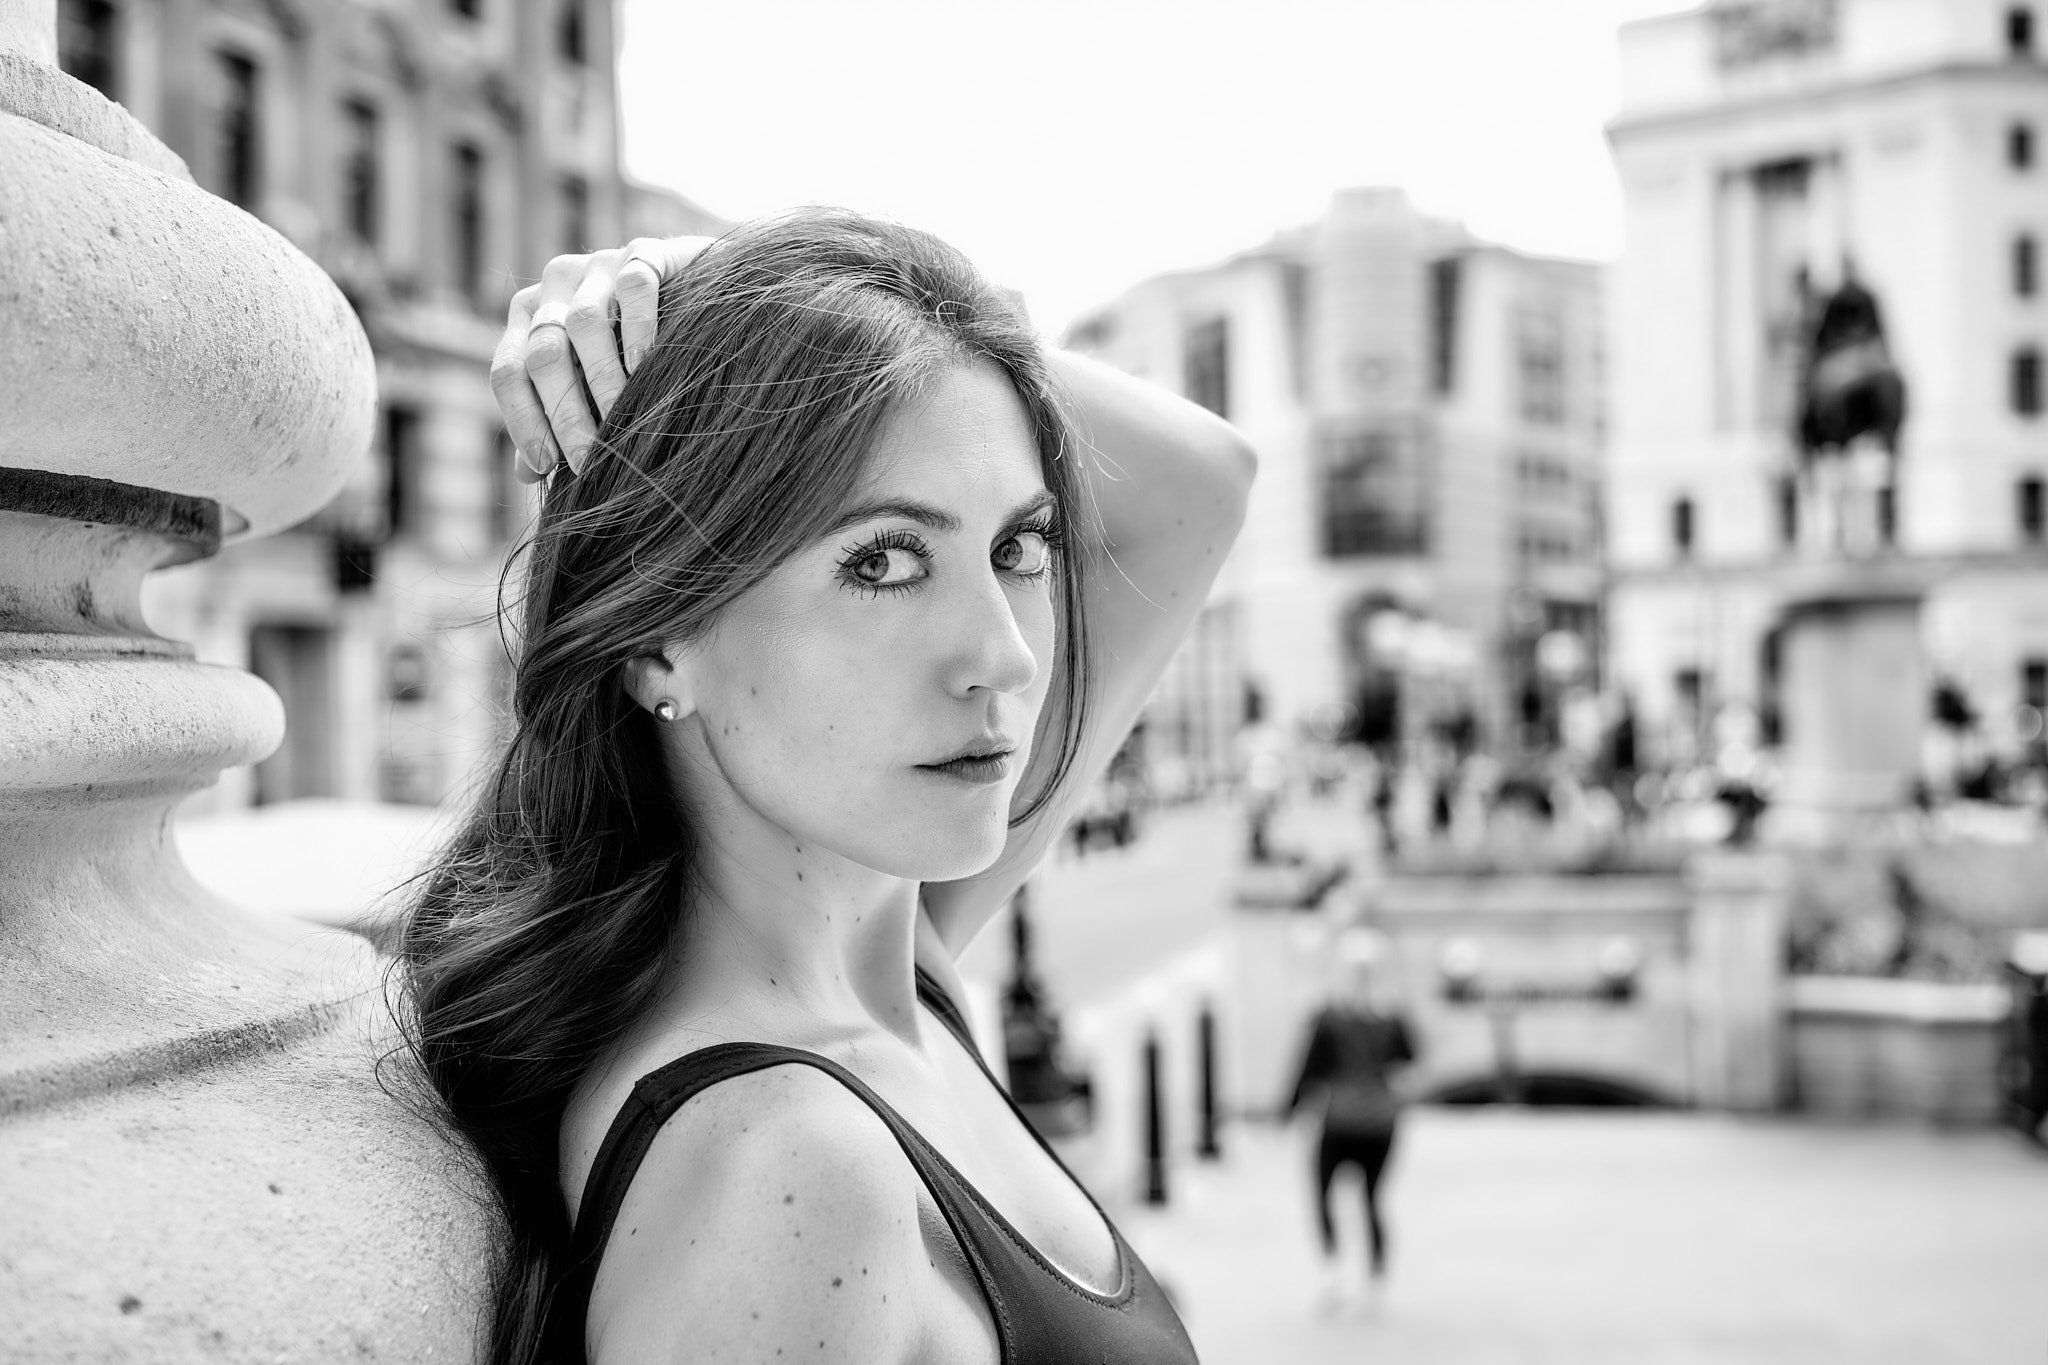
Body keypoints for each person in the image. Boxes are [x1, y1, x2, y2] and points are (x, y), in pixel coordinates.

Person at [394, 209, 1254, 1365]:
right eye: (883, 563)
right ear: (657, 644)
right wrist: (738, 300)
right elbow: (1201, 484)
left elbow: (1206, 480)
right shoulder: (790, 1166)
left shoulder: (891, 969)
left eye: (1016, 549)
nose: (1003, 656)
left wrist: (709, 275)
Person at [1285, 929, 1417, 1299]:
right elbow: (1409, 1058)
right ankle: (1375, 1275)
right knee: (1372, 1199)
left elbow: (1308, 1069)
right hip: (1381, 1121)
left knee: (1323, 1193)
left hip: (1339, 1118)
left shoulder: (1330, 1017)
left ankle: (1333, 1268)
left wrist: (1290, 1110)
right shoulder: (1391, 1017)